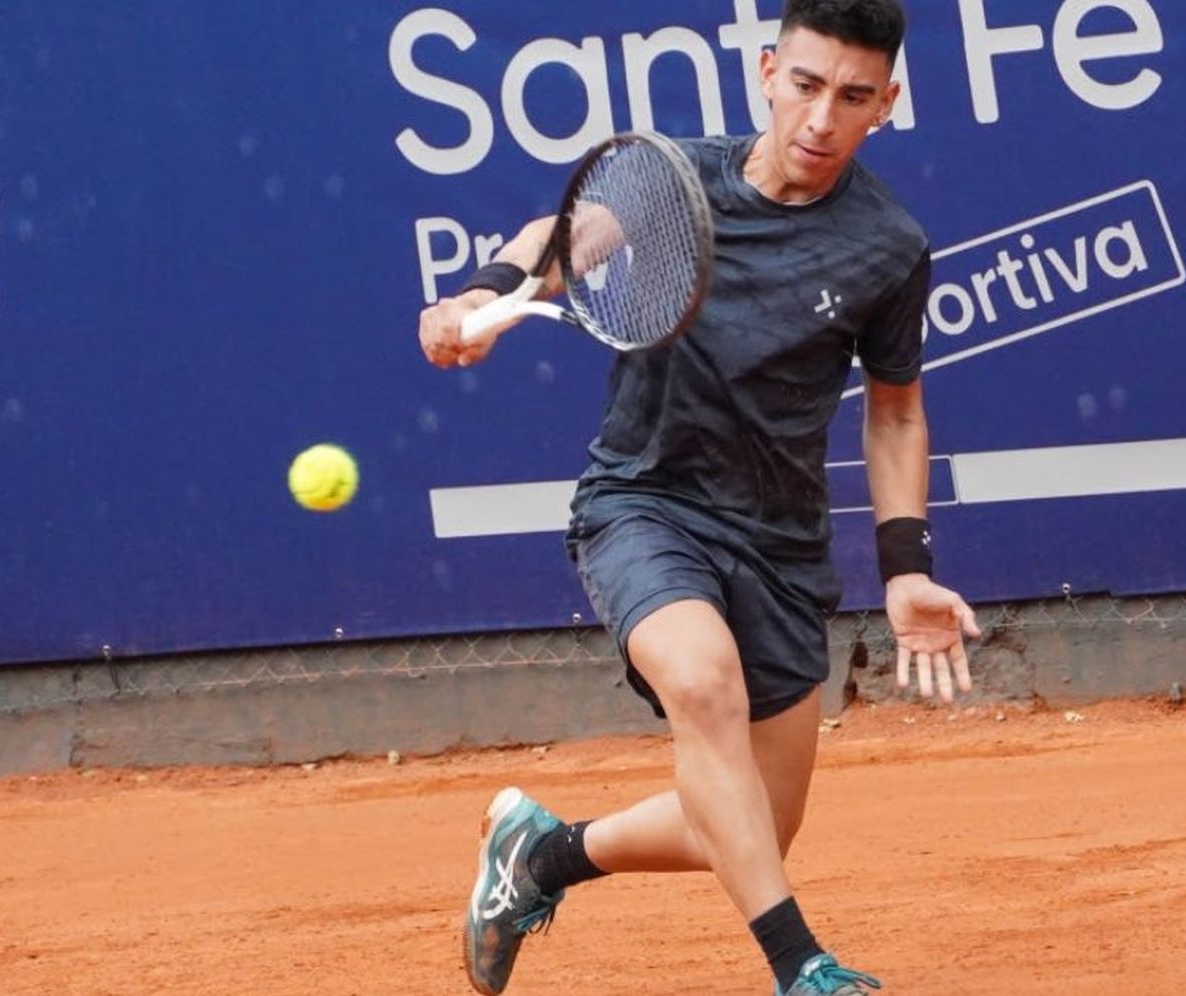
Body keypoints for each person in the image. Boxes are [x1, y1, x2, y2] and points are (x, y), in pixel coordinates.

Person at [417, 2, 980, 992]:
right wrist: (488, 292)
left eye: (852, 96)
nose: (820, 117)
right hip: (645, 502)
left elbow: (894, 414)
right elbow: (570, 234)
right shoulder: (678, 179)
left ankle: (539, 857)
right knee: (705, 686)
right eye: (805, 85)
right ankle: (801, 965)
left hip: (781, 543)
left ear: (885, 104)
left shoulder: (890, 247)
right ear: (768, 72)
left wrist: (907, 569)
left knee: (758, 820)